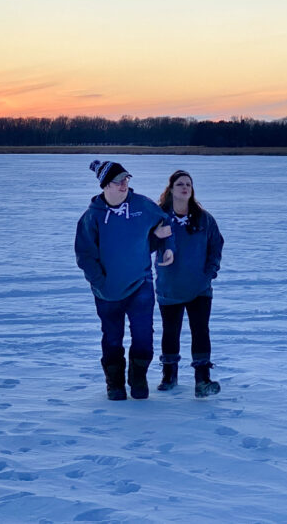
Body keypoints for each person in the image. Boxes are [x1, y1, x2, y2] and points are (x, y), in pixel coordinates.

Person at [75, 160, 174, 401]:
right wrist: (100, 282)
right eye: (118, 181)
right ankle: (115, 384)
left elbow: (165, 223)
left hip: (141, 285)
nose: (124, 185)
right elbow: (85, 255)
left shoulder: (142, 206)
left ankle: (138, 379)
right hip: (107, 291)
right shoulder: (92, 217)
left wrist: (167, 246)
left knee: (143, 336)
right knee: (112, 338)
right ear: (105, 185)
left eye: (126, 179)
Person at [153, 170, 225, 398]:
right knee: (170, 330)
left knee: (200, 330)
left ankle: (202, 380)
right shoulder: (160, 218)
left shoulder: (204, 219)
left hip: (200, 288)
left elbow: (216, 246)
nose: (185, 188)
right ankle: (169, 375)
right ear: (171, 189)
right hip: (170, 287)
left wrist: (209, 273)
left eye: (188, 184)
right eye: (180, 184)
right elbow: (146, 243)